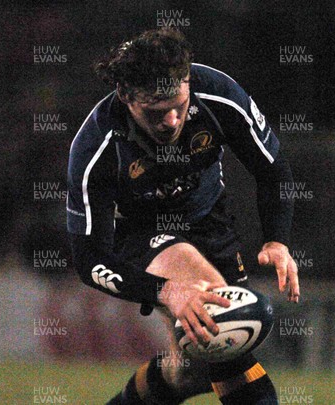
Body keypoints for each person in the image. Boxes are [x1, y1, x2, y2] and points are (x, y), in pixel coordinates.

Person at [67, 28, 299, 404]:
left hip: (210, 221)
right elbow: (88, 259)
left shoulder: (218, 95)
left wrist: (277, 239)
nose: (173, 121)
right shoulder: (97, 145)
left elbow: (273, 168)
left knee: (190, 371)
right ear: (126, 96)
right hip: (139, 233)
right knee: (219, 326)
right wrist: (166, 290)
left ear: (188, 80)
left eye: (179, 105)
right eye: (157, 112)